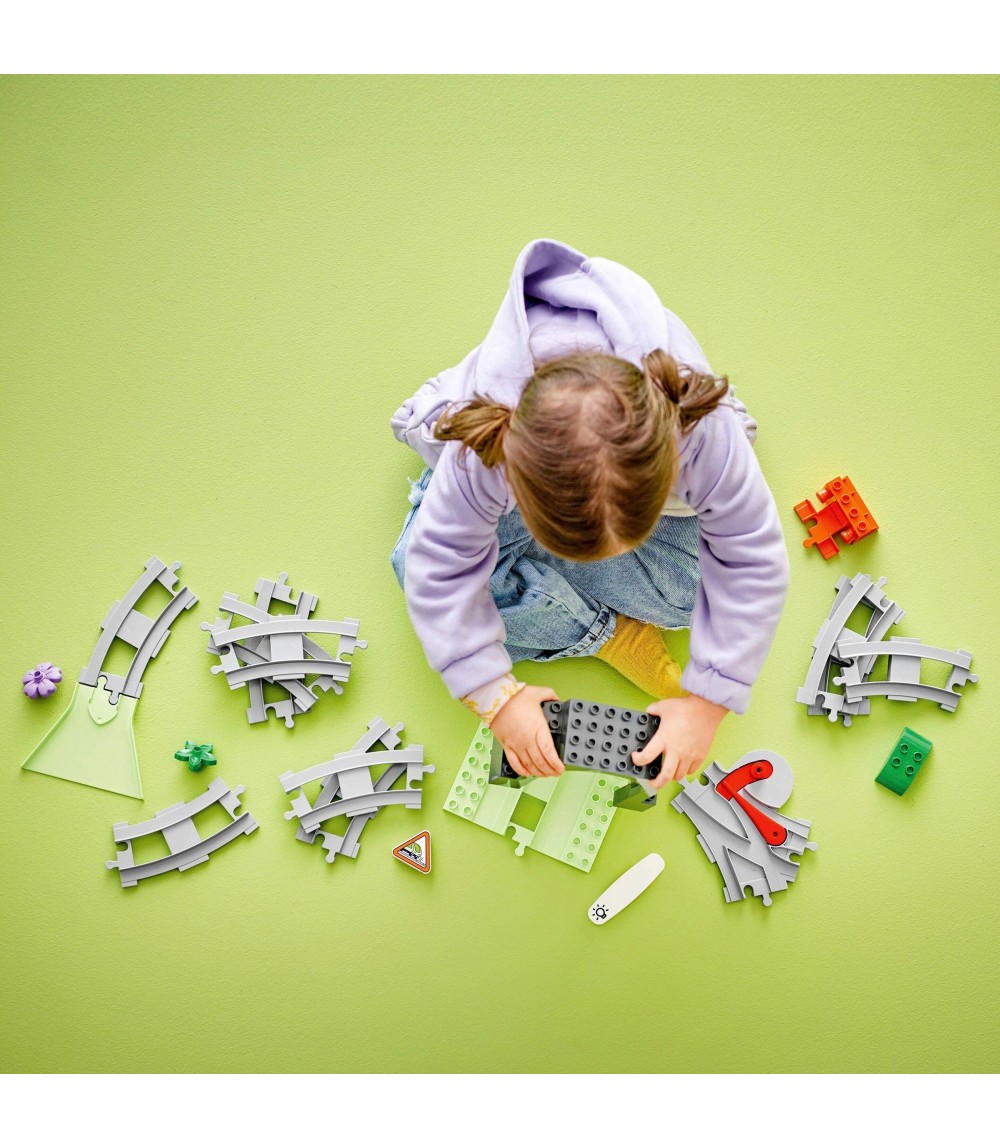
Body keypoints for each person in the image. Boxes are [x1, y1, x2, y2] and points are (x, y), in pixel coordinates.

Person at [389, 237, 789, 787]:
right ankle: (603, 633)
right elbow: (436, 569)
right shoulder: (485, 450)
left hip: (652, 488)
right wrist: (495, 698)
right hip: (506, 474)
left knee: (694, 601)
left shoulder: (703, 431)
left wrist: (708, 702)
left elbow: (752, 557)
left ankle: (547, 593)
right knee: (415, 569)